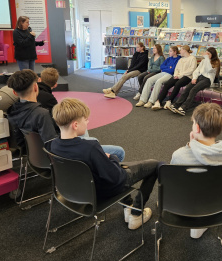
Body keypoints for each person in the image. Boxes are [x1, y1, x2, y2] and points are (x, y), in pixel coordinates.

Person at [51, 98, 160, 229]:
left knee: (118, 165)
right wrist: (112, 158)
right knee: (154, 164)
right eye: (85, 120)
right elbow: (116, 178)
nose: (87, 122)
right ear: (75, 125)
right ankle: (136, 214)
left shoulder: (53, 145)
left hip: (75, 192)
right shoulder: (90, 147)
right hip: (102, 191)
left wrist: (105, 160)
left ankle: (128, 206)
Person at [7, 70, 125, 161]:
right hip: (56, 157)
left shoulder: (12, 110)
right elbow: (53, 145)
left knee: (83, 131)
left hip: (32, 155)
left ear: (14, 92)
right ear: (35, 87)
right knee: (116, 151)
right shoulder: (41, 114)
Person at [170, 103, 222, 238]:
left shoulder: (179, 155)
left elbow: (174, 183)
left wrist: (190, 146)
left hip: (185, 207)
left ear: (196, 128)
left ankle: (197, 222)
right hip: (216, 206)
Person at [169, 47, 220, 115]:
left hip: (207, 79)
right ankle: (176, 105)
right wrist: (194, 78)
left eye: (208, 54)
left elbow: (208, 69)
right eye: (206, 53)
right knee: (187, 88)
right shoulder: (204, 61)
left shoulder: (215, 62)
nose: (206, 55)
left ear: (212, 55)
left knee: (193, 89)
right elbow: (197, 70)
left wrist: (207, 58)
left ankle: (184, 107)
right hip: (199, 77)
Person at [152, 45, 197, 110]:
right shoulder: (181, 59)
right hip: (178, 76)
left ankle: (169, 100)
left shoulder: (192, 58)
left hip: (187, 76)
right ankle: (159, 101)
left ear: (184, 50)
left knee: (177, 84)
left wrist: (179, 75)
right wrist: (176, 75)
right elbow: (176, 69)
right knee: (167, 84)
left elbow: (191, 70)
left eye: (181, 50)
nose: (180, 51)